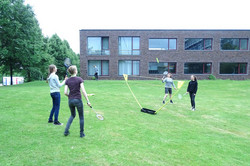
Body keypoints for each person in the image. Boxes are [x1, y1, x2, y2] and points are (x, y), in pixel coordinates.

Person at [64, 65, 91, 138]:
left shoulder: (67, 80)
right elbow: (83, 91)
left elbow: (65, 92)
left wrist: (70, 96)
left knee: (72, 115)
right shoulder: (79, 79)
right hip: (78, 100)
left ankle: (66, 131)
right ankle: (81, 133)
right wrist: (88, 101)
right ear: (75, 71)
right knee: (81, 117)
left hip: (70, 100)